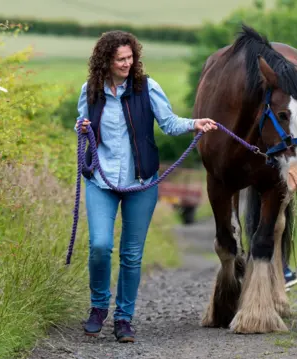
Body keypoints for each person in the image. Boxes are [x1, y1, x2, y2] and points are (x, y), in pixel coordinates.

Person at [74, 30, 217, 343]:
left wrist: (195, 123)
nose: (127, 63)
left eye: (130, 58)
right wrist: (82, 127)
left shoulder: (147, 88)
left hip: (141, 182)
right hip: (102, 179)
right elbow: (82, 121)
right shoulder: (91, 90)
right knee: (99, 246)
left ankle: (124, 318)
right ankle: (98, 308)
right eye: (120, 59)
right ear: (105, 62)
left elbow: (168, 123)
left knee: (132, 254)